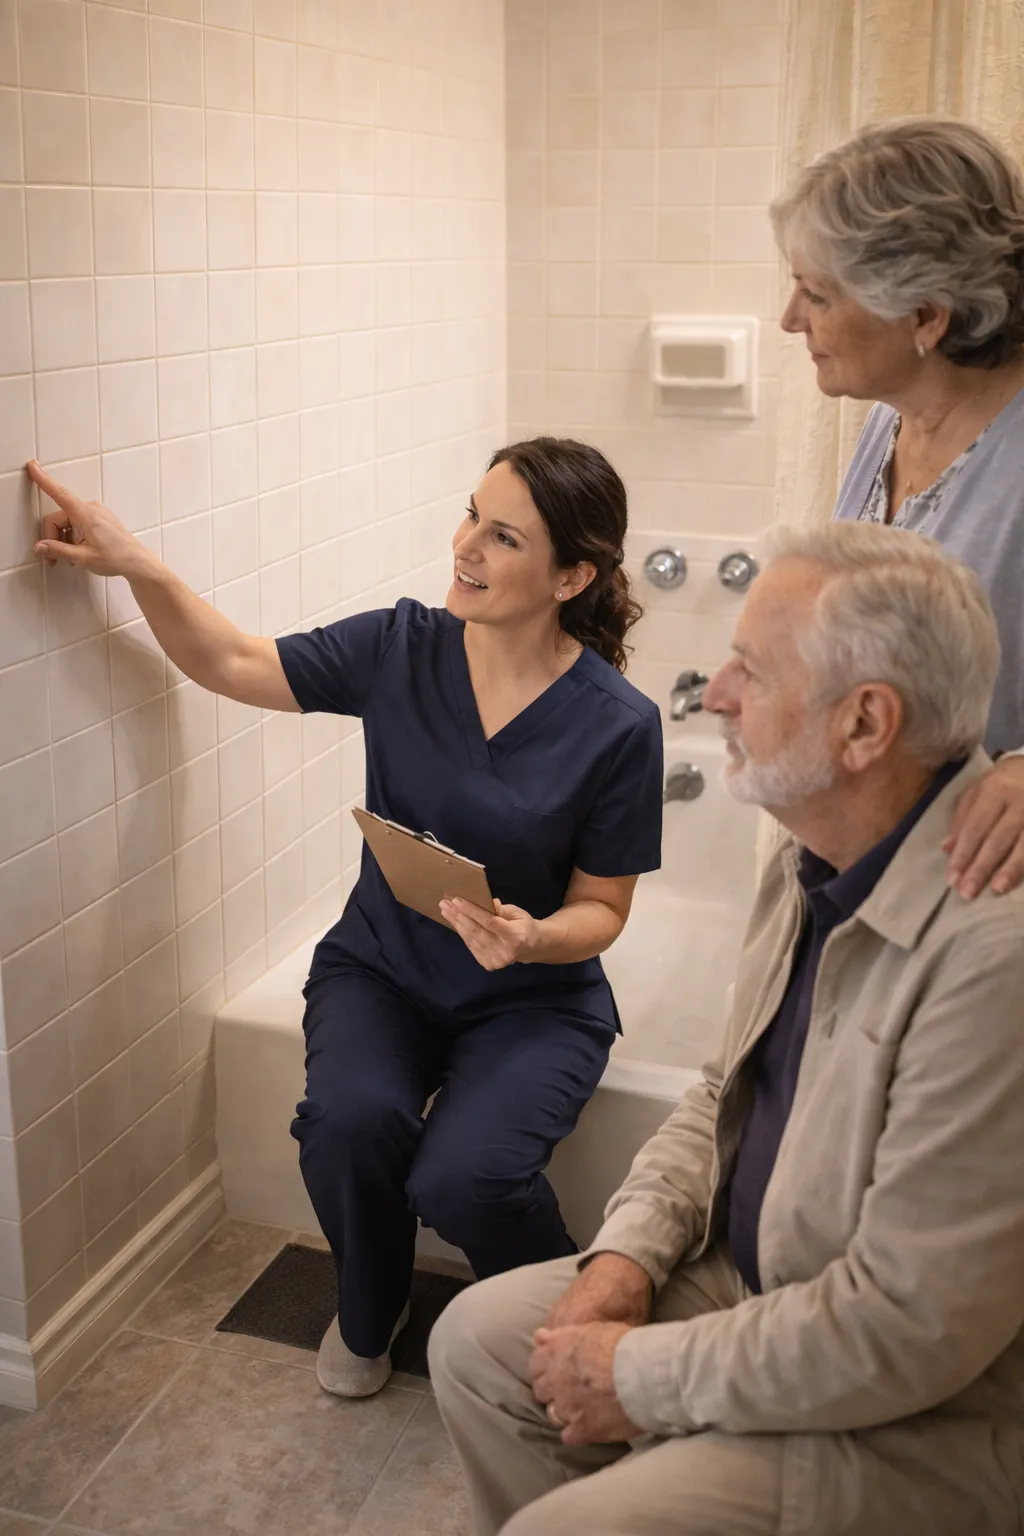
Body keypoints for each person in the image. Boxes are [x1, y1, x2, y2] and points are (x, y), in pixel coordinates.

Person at [26, 437, 663, 1399]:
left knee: (466, 1179)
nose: (466, 548)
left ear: (572, 575)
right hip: (384, 970)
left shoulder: (618, 723)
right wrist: (137, 566)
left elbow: (603, 908)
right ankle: (371, 1305)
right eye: (470, 517)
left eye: (502, 538)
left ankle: (564, 1326)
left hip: (532, 999)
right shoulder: (400, 646)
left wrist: (533, 936)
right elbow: (233, 661)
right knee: (346, 1124)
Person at [428, 521, 1024, 1536]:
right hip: (755, 1283)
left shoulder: (990, 959)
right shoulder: (813, 854)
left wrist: (642, 1373)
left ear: (863, 725)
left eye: (750, 669)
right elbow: (721, 1094)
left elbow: (906, 1327)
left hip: (934, 1412)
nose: (716, 698)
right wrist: (623, 1262)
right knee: (477, 1343)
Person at [774, 116, 1024, 902]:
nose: (790, 320)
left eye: (816, 294)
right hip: (870, 872)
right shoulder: (891, 416)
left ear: (925, 317)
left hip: (978, 903)